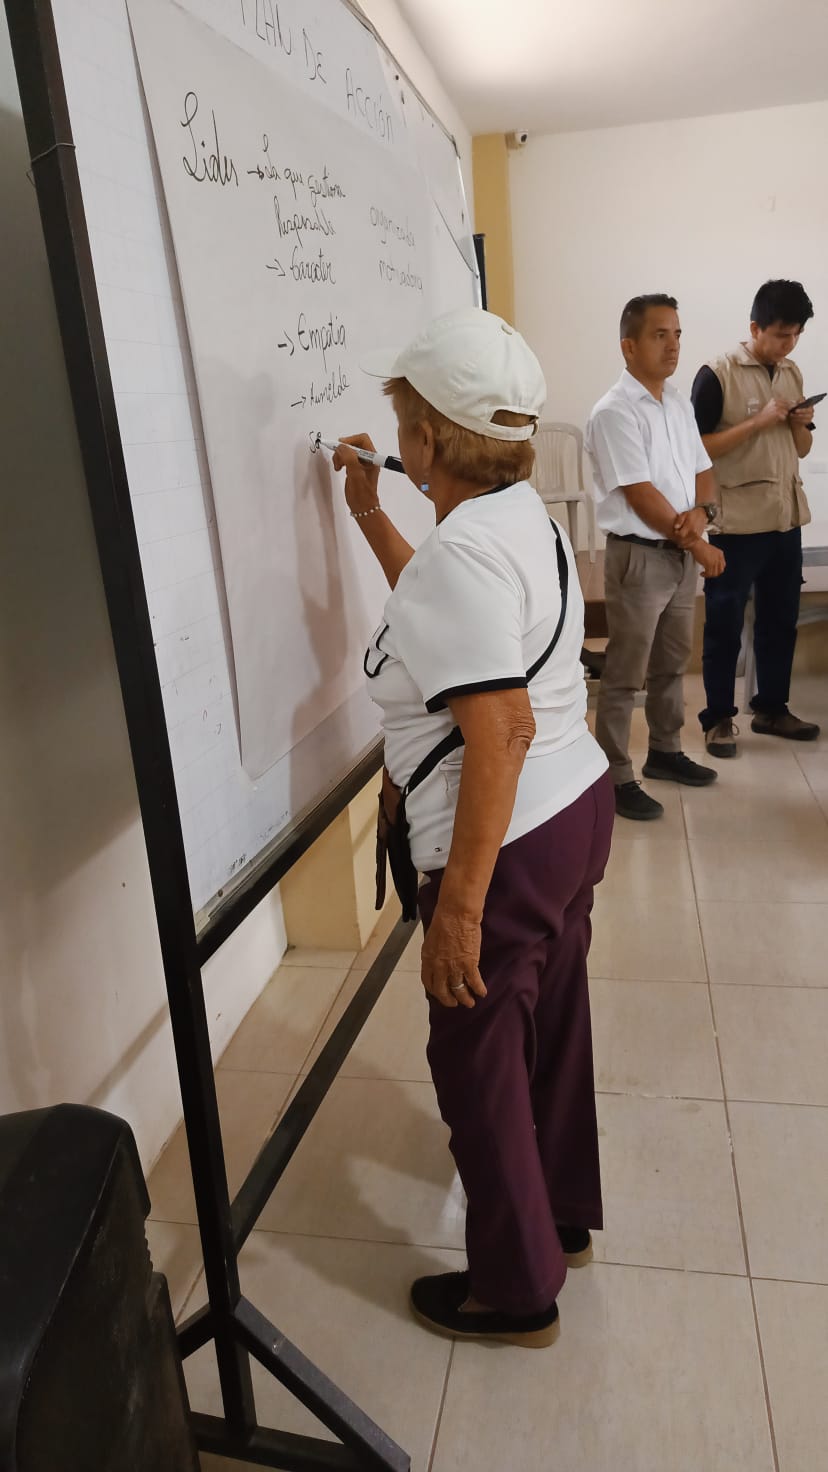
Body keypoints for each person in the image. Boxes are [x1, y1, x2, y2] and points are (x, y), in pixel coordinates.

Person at [331, 307, 613, 1348]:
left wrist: (457, 911)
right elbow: (449, 613)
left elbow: (499, 730)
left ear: (428, 439)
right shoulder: (515, 519)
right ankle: (564, 1215)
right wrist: (370, 514)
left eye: (404, 414)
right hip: (573, 810)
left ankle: (516, 1287)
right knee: (554, 1024)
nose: (398, 430)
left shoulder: (464, 552)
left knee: (478, 1057)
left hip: (510, 837)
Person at [585, 294, 724, 822]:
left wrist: (703, 514)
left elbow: (703, 470)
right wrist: (699, 542)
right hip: (640, 557)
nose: (673, 346)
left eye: (677, 334)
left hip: (678, 554)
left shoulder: (677, 404)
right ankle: (614, 775)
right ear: (629, 345)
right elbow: (641, 494)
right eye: (659, 335)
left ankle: (665, 751)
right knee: (626, 673)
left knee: (671, 663)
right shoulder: (614, 411)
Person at [691, 279, 820, 756]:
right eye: (782, 334)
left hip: (786, 519)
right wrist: (758, 421)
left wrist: (799, 425)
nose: (789, 344)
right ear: (755, 328)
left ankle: (771, 709)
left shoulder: (791, 372)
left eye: (796, 334)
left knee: (780, 620)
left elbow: (802, 449)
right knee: (724, 624)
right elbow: (696, 449)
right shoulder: (717, 374)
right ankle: (718, 719)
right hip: (737, 523)